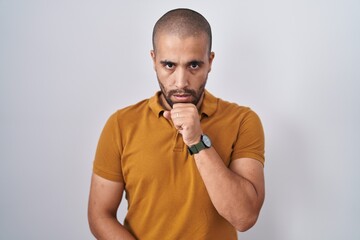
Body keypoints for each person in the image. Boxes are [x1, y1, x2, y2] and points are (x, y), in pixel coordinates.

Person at [88, 8, 265, 240]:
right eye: (169, 65)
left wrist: (197, 142)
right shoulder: (121, 124)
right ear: (154, 60)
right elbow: (100, 215)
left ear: (210, 62)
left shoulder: (243, 121)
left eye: (193, 65)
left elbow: (244, 217)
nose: (181, 82)